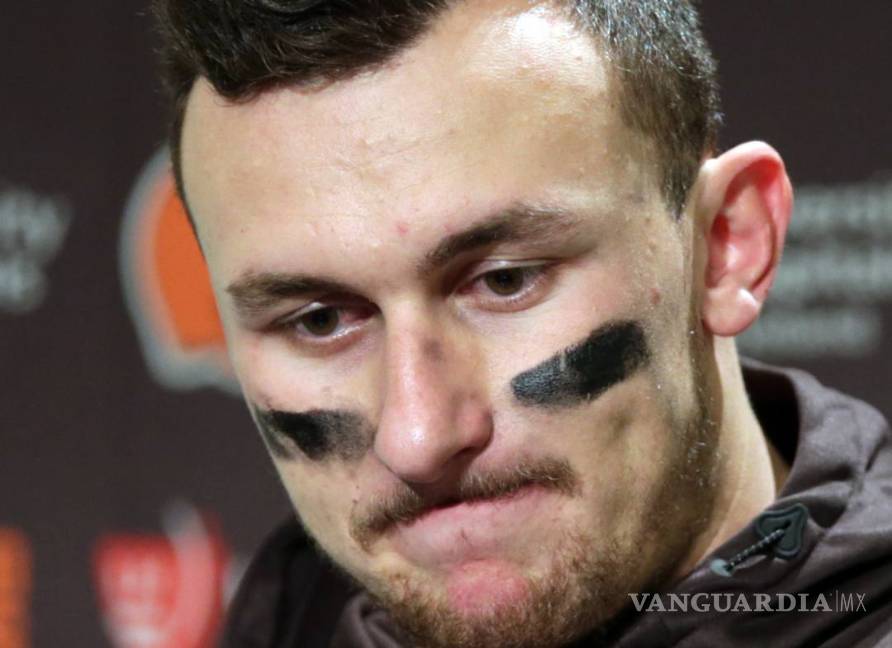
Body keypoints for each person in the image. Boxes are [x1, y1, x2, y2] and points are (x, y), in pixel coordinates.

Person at [152, 1, 892, 646]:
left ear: (727, 246)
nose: (417, 439)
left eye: (505, 281)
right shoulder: (288, 618)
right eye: (319, 321)